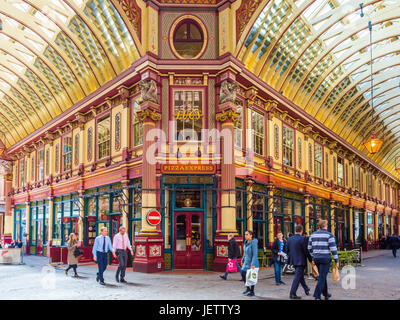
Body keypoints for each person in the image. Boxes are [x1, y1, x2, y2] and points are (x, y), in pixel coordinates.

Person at [308, 220, 339, 300]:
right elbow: (333, 249)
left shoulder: (313, 235)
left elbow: (309, 248)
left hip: (317, 258)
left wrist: (313, 256)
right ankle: (317, 295)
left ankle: (325, 294)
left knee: (322, 275)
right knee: (322, 276)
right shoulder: (329, 235)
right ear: (326, 226)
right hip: (325, 258)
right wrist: (336, 260)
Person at [286, 225, 312, 299]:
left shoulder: (290, 239)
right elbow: (306, 251)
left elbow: (287, 250)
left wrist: (291, 257)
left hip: (293, 260)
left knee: (300, 276)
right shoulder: (303, 239)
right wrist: (310, 260)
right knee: (297, 277)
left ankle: (306, 288)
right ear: (301, 231)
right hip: (301, 260)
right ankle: (292, 293)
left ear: (295, 230)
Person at [241, 230, 259, 297]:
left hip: (252, 262)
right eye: (245, 234)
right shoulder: (245, 242)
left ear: (251, 235)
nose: (245, 236)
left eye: (247, 234)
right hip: (246, 262)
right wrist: (242, 260)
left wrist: (253, 264)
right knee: (243, 273)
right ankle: (248, 288)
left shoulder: (253, 242)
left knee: (251, 277)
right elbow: (245, 253)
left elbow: (255, 254)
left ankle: (252, 291)